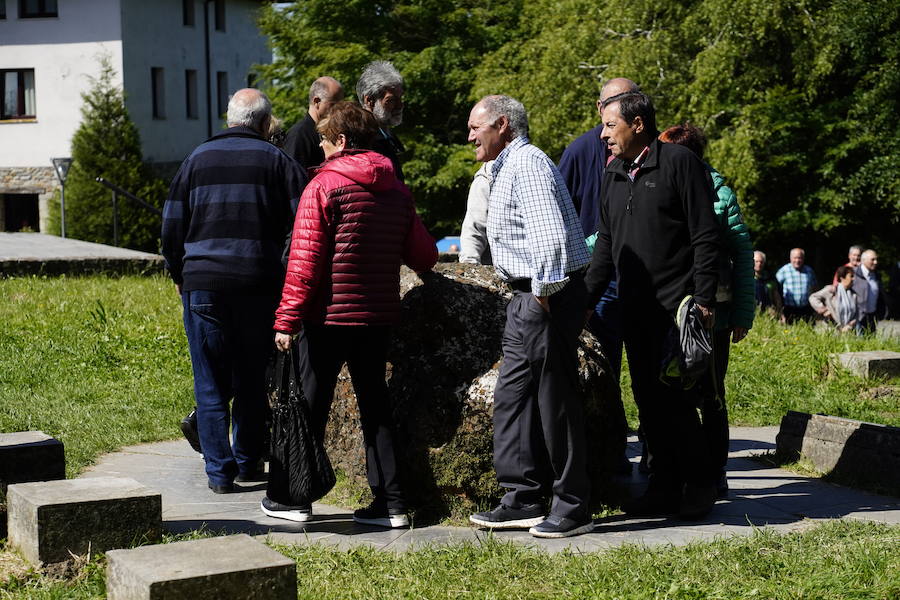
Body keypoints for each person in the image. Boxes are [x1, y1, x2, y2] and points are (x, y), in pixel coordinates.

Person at [266, 101, 437, 526]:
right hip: (376, 318)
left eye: (324, 141)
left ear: (341, 141)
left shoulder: (323, 187)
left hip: (326, 319)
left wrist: (286, 320)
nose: (320, 148)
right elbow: (425, 254)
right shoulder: (396, 189)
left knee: (309, 407)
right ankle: (392, 505)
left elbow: (303, 263)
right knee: (376, 408)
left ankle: (295, 498)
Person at [162, 88, 307, 494]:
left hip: (203, 283)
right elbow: (302, 227)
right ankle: (246, 462)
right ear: (264, 123)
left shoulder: (195, 160)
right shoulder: (280, 162)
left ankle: (218, 474)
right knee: (249, 379)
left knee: (209, 383)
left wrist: (179, 273)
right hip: (259, 284)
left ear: (229, 119)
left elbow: (172, 225)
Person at [584, 92, 721, 520]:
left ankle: (700, 487)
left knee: (678, 404)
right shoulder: (613, 173)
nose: (604, 134)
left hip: (677, 310)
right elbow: (606, 244)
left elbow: (705, 234)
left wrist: (702, 299)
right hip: (634, 310)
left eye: (610, 125)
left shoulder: (680, 164)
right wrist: (586, 301)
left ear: (637, 124)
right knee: (648, 403)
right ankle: (663, 487)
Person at [465, 95, 594, 538]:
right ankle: (522, 498)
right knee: (512, 397)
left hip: (546, 295)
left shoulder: (529, 164)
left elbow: (552, 240)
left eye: (476, 127)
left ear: (502, 125)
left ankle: (573, 506)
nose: (470, 136)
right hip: (526, 298)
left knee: (553, 400)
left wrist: (540, 297)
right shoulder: (505, 168)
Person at [658, 123, 754, 497]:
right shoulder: (659, 181)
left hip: (712, 315)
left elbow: (742, 253)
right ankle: (666, 467)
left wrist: (743, 314)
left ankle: (715, 472)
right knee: (665, 390)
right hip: (666, 308)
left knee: (711, 395)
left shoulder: (719, 193)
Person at [558, 77, 641, 477]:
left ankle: (652, 451)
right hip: (597, 280)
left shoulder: (650, 151)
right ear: (599, 108)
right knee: (604, 368)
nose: (616, 115)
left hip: (642, 281)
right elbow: (561, 212)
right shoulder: (579, 151)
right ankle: (609, 453)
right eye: (612, 104)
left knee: (646, 369)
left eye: (626, 103)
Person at [357, 61, 405, 181]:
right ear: (369, 101)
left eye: (401, 98)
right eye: (391, 100)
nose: (400, 105)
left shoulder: (386, 133)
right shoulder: (360, 139)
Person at [283, 76, 344, 170]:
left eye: (340, 105)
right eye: (333, 104)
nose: (338, 110)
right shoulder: (299, 134)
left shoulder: (331, 130)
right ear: (316, 102)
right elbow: (293, 176)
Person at [458, 160, 494, 265]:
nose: (472, 142)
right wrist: (469, 263)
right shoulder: (486, 177)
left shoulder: (487, 176)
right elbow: (474, 229)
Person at [809, 265, 862, 333]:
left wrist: (849, 325)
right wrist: (823, 310)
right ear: (842, 278)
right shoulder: (831, 290)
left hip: (847, 333)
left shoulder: (853, 295)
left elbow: (856, 315)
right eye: (851, 276)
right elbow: (813, 297)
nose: (853, 279)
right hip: (830, 331)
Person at [775, 248, 817, 324]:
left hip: (806, 308)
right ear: (790, 258)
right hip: (789, 309)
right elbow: (776, 289)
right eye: (795, 258)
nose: (797, 260)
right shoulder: (784, 271)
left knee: (808, 332)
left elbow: (814, 289)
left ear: (803, 259)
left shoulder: (809, 271)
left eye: (800, 258)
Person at [856, 249, 884, 333]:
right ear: (863, 260)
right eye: (872, 259)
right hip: (858, 318)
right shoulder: (854, 274)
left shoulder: (876, 275)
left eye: (876, 259)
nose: (876, 262)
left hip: (872, 316)